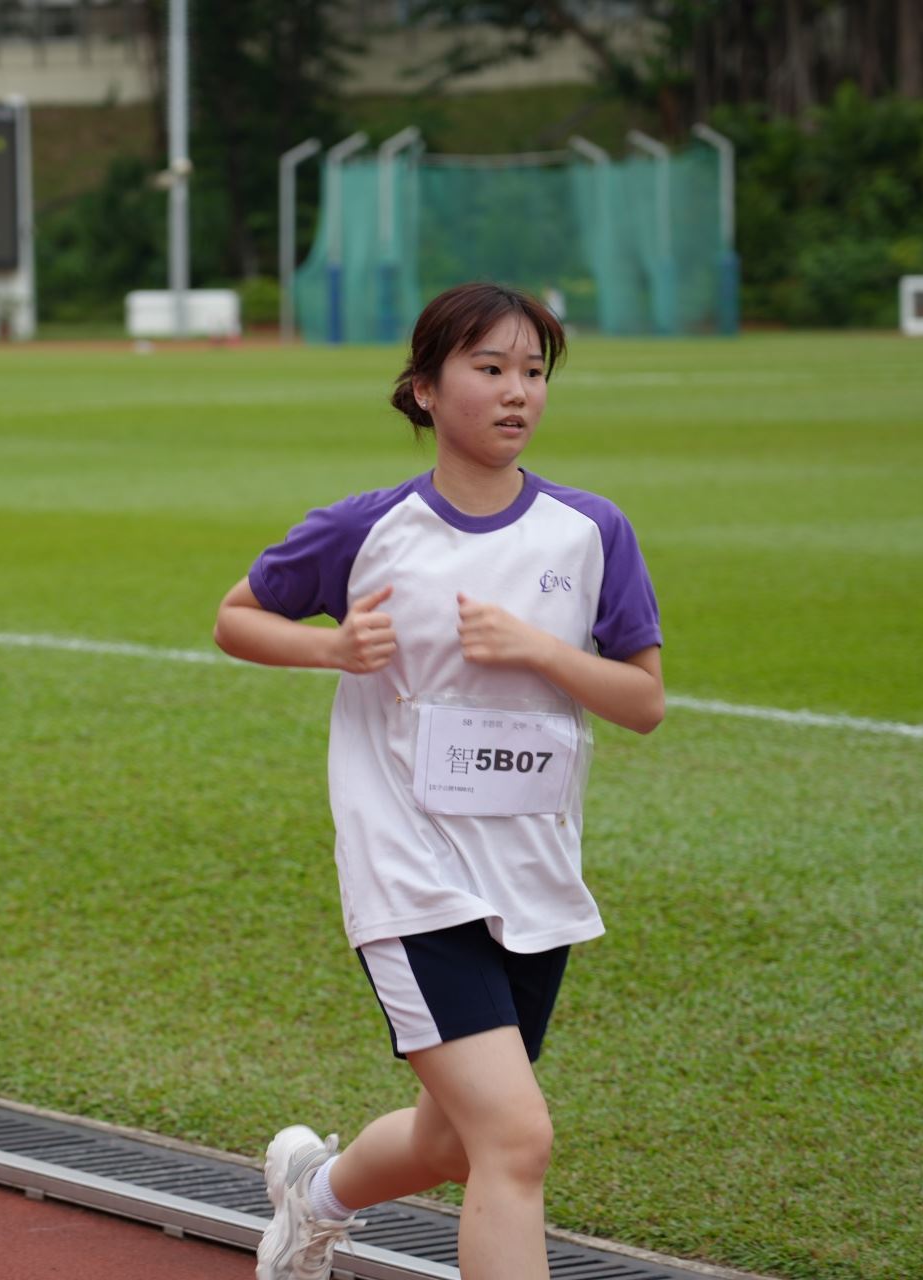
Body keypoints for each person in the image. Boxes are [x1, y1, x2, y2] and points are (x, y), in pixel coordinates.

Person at [213, 282, 664, 1280]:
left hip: (532, 876)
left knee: (454, 1138)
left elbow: (642, 700)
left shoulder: (591, 531)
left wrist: (539, 649)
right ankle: (318, 1199)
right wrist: (331, 649)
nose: (517, 392)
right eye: (490, 368)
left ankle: (313, 1194)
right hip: (410, 871)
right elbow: (235, 618)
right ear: (424, 388)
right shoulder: (367, 528)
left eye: (534, 371)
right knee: (515, 1139)